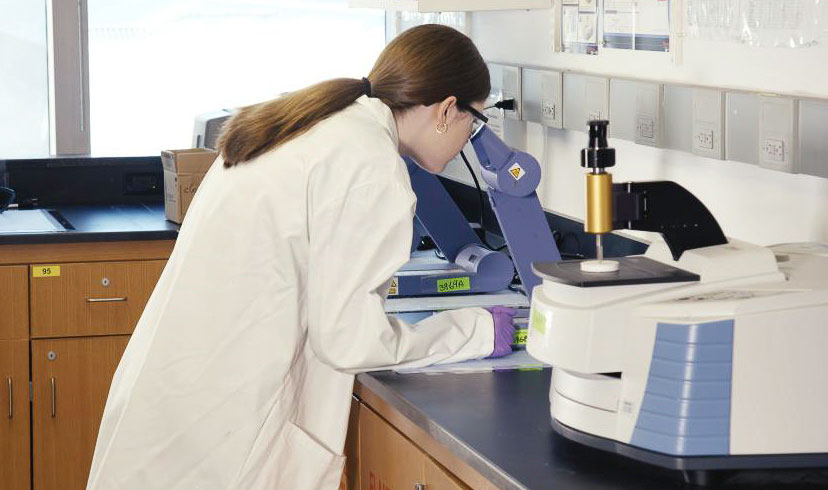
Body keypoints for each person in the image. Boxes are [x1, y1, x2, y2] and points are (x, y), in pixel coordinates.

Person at [86, 24, 516, 490]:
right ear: (446, 109)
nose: (466, 139)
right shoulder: (369, 165)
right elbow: (350, 341)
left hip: (179, 400)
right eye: (474, 121)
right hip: (227, 427)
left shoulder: (318, 124)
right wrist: (471, 331)